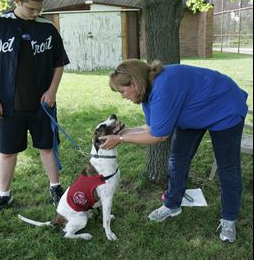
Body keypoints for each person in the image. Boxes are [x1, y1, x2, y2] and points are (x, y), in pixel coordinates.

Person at [100, 59, 248, 243]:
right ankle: (172, 205)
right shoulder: (146, 92)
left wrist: (120, 139)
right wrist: (122, 132)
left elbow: (158, 136)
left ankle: (229, 219)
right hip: (193, 110)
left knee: (227, 168)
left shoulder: (163, 88)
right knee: (177, 159)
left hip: (224, 107)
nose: (122, 96)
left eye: (122, 91)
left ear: (134, 83)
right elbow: (150, 128)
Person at [0, 0, 70, 219]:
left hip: (42, 105)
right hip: (8, 105)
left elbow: (59, 63)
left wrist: (52, 91)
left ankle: (55, 189)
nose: (36, 12)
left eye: (40, 8)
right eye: (31, 8)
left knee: (47, 147)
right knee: (7, 152)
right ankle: (4, 195)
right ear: (17, 1)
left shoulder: (47, 27)